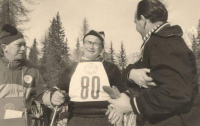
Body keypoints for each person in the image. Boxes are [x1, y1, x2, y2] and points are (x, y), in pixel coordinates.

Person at [108, 0, 200, 126]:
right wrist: (131, 73)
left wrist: (132, 105)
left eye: (136, 23)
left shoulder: (163, 43)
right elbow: (133, 70)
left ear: (143, 20)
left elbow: (176, 93)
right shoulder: (160, 41)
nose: (136, 28)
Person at [50, 30, 126, 126]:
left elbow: (124, 91)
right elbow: (59, 88)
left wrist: (120, 109)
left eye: (96, 44)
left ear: (101, 48)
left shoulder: (111, 68)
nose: (91, 46)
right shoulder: (71, 68)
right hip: (76, 118)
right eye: (88, 42)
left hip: (104, 118)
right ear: (83, 45)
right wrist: (54, 95)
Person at [0, 24, 52, 125]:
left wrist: (53, 97)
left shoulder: (31, 70)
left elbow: (42, 94)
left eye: (24, 45)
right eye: (19, 45)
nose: (24, 49)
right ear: (4, 47)